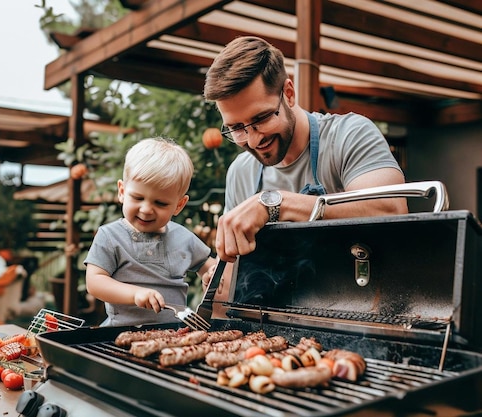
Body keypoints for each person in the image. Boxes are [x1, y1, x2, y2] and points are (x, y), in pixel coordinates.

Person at [203, 36, 408, 263]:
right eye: (236, 128)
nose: (252, 140)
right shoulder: (241, 172)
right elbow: (236, 270)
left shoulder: (349, 134)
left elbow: (391, 211)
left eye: (261, 118)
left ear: (288, 94)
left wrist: (276, 204)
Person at [84, 138, 217, 327]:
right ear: (122, 191)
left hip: (174, 334)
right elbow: (95, 282)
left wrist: (211, 274)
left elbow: (209, 267)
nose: (146, 209)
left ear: (179, 205)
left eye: (160, 203)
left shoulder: (184, 237)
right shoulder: (110, 236)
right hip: (119, 334)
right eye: (138, 197)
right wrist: (135, 294)